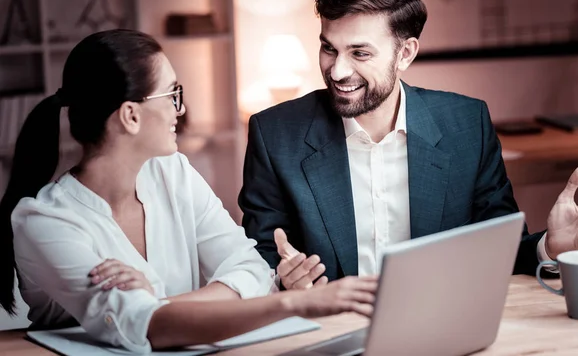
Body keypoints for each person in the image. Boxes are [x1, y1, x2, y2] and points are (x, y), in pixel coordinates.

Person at [0, 29, 378, 353]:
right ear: (131, 116)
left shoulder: (171, 172)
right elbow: (147, 327)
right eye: (171, 94)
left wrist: (161, 301)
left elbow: (251, 270)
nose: (180, 110)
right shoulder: (45, 221)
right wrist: (296, 302)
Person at [239, 0, 578, 288]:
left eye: (360, 53)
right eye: (329, 48)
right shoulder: (275, 135)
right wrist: (280, 281)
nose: (338, 71)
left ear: (406, 53)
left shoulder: (466, 125)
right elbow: (259, 261)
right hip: (332, 336)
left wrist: (551, 247)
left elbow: (497, 254)